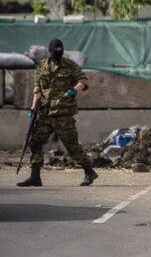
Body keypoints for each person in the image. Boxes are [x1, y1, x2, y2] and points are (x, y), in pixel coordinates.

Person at [17, 38, 98, 187]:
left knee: (71, 145)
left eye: (60, 51)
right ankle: (35, 176)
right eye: (55, 52)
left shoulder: (69, 65)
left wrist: (73, 90)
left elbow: (84, 81)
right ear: (50, 51)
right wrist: (34, 106)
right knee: (34, 142)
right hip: (45, 113)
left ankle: (89, 171)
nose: (57, 54)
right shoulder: (42, 66)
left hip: (63, 114)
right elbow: (38, 88)